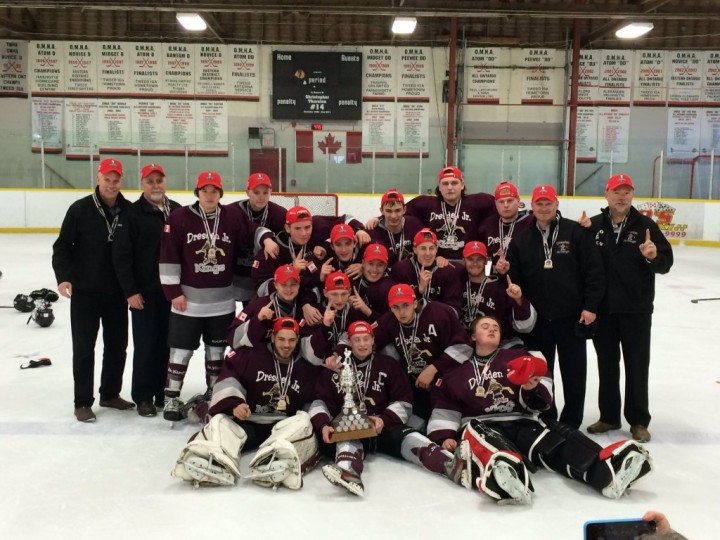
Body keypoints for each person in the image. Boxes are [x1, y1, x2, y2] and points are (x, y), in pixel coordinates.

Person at [427, 315, 652, 505]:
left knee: (555, 442)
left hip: (520, 420)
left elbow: (541, 401)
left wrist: (531, 390)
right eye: (485, 327)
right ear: (473, 336)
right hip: (481, 424)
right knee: (482, 438)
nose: (492, 329)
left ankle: (605, 473)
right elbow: (447, 405)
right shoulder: (456, 371)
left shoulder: (518, 358)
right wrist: (445, 435)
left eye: (496, 327)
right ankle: (502, 473)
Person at [159, 171, 277, 422]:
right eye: (205, 190)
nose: (209, 195)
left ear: (220, 193)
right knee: (180, 352)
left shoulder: (232, 216)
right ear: (197, 192)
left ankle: (214, 392)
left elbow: (253, 229)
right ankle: (171, 396)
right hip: (187, 302)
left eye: (214, 191)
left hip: (222, 302)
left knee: (216, 351)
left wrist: (266, 238)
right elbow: (168, 256)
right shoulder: (179, 218)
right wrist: (173, 292)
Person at [310, 321, 467, 496]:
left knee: (412, 438)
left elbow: (404, 401)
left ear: (372, 340)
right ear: (349, 342)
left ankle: (451, 465)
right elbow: (319, 402)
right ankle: (348, 472)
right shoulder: (335, 370)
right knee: (346, 444)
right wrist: (323, 425)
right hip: (351, 427)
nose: (362, 344)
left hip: (383, 426)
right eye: (357, 340)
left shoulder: (388, 365)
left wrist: (384, 419)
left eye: (366, 339)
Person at [171, 317, 320, 489]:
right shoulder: (251, 355)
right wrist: (235, 404)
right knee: (221, 422)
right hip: (250, 424)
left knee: (303, 420)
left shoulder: (306, 366)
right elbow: (230, 376)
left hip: (282, 427)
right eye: (281, 339)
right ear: (272, 337)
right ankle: (214, 459)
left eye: (292, 340)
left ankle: (280, 461)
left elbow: (313, 399)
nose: (286, 345)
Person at [582, 174, 673, 443]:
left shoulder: (646, 225)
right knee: (607, 365)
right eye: (616, 192)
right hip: (604, 311)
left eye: (626, 192)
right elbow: (583, 265)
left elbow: (666, 262)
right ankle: (609, 416)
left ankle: (638, 420)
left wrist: (653, 256)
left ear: (632, 195)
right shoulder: (595, 227)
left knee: (637, 365)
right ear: (606, 195)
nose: (621, 196)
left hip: (636, 310)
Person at [506, 184, 605, 428]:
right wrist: (515, 291)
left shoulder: (575, 232)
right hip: (539, 321)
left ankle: (571, 422)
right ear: (532, 206)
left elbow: (594, 272)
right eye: (539, 203)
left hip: (572, 317)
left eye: (548, 203)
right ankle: (547, 416)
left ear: (556, 204)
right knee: (541, 372)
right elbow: (514, 275)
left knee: (574, 373)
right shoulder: (521, 240)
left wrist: (590, 306)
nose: (543, 208)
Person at [52, 158, 134, 422]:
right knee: (85, 348)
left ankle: (110, 393)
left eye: (116, 180)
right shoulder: (79, 209)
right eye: (107, 179)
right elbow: (62, 247)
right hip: (85, 292)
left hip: (117, 293)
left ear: (121, 181)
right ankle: (82, 401)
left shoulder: (129, 211)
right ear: (98, 179)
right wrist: (64, 278)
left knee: (117, 346)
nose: (111, 184)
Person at [112, 163, 181, 417]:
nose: (155, 185)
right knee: (145, 346)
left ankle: (164, 392)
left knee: (168, 344)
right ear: (142, 184)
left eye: (159, 180)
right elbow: (122, 256)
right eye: (150, 181)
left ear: (165, 182)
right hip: (144, 293)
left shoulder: (177, 211)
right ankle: (143, 396)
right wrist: (130, 291)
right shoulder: (131, 214)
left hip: (172, 293)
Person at [370, 284, 472, 424]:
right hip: (415, 381)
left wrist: (433, 368)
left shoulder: (438, 312)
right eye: (396, 307)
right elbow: (364, 336)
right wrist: (339, 353)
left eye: (405, 305)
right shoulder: (389, 320)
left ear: (414, 302)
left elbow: (464, 346)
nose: (401, 312)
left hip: (444, 377)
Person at [405, 165, 496, 261]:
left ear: (462, 185)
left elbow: (500, 211)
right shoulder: (425, 204)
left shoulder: (478, 203)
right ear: (439, 186)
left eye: (454, 183)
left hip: (469, 263)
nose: (449, 187)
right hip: (437, 263)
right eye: (445, 184)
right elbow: (400, 216)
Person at [459, 240, 536, 347]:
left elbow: (526, 326)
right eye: (470, 259)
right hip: (464, 344)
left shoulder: (500, 287)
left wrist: (518, 300)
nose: (475, 263)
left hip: (499, 344)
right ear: (463, 261)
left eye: (479, 259)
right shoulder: (457, 286)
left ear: (486, 261)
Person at [231, 172, 287, 302]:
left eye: (265, 192)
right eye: (256, 192)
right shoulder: (232, 211)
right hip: (235, 276)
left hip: (265, 277)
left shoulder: (280, 214)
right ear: (247, 192)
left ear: (271, 192)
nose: (261, 197)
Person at [227, 264, 305, 350]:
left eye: (293, 284)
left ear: (299, 285)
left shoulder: (304, 307)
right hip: (261, 360)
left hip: (290, 359)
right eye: (284, 285)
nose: (289, 289)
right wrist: (257, 319)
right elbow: (233, 340)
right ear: (275, 285)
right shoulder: (257, 306)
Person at [300, 271, 368, 367]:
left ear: (349, 292)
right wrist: (325, 326)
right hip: (314, 366)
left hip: (342, 364)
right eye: (334, 294)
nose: (339, 299)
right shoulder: (313, 313)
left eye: (344, 294)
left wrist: (338, 356)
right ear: (325, 293)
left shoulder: (355, 313)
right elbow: (311, 355)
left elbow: (357, 345)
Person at [390, 228, 462, 316]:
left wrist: (434, 315)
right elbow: (396, 305)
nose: (428, 253)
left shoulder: (447, 271)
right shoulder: (401, 270)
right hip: (410, 321)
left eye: (431, 248)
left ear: (436, 249)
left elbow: (454, 309)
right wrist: (419, 291)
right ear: (415, 250)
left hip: (439, 321)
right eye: (423, 248)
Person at [475, 181, 535, 275]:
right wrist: (487, 276)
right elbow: (484, 257)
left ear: (518, 201)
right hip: (494, 281)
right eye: (501, 202)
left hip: (521, 280)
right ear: (495, 203)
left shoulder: (531, 223)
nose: (506, 205)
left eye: (510, 200)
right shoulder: (486, 225)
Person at [365, 188, 424, 268]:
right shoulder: (374, 231)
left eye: (398, 210)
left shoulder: (414, 224)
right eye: (389, 211)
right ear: (381, 211)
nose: (393, 216)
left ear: (404, 210)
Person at [348, 243, 395, 322]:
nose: (374, 269)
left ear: (386, 266)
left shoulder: (389, 288)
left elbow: (390, 323)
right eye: (370, 263)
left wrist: (366, 310)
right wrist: (344, 300)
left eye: (380, 265)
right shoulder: (352, 275)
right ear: (363, 263)